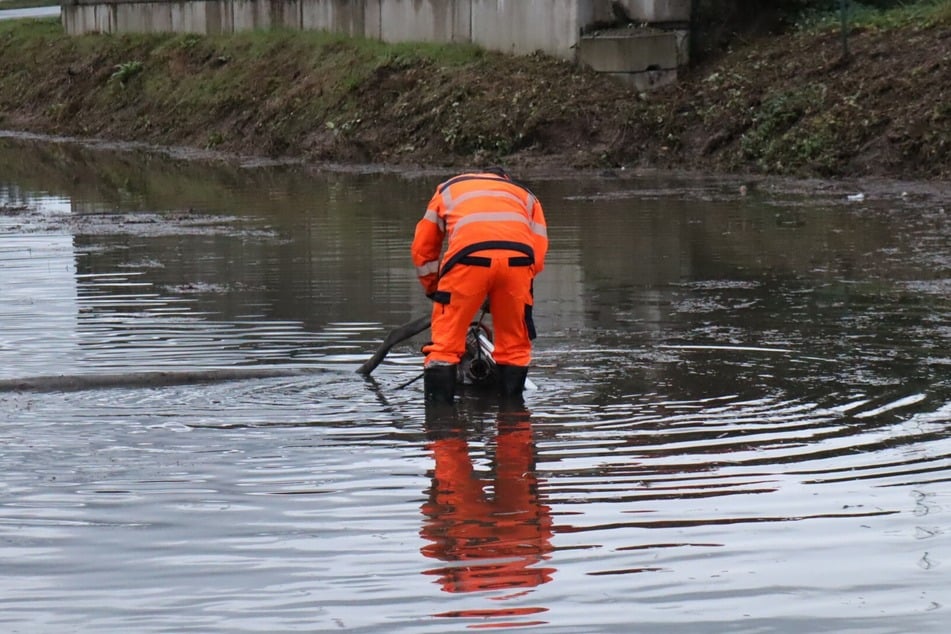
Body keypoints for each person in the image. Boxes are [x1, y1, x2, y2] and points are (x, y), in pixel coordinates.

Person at [411, 167, 548, 404]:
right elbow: (537, 255)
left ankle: (440, 426)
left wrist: (434, 289)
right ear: (505, 179)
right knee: (515, 347)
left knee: (444, 347)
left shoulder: (447, 190)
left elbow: (423, 250)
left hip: (465, 262)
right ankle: (513, 420)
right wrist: (501, 291)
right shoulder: (526, 195)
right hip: (517, 264)